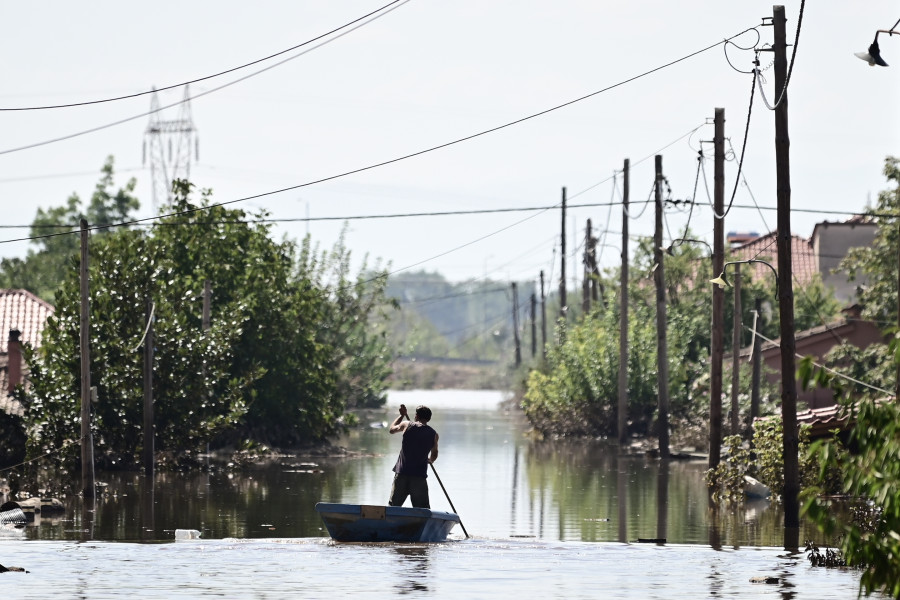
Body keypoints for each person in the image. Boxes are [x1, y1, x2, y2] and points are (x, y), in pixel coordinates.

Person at [387, 403, 439, 508]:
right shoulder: (434, 434)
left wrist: (402, 415)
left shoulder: (407, 424)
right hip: (419, 477)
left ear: (416, 416)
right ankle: (420, 524)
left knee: (394, 508)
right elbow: (434, 453)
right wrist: (430, 460)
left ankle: (391, 524)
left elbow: (392, 429)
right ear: (428, 419)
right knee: (422, 510)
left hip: (402, 474)